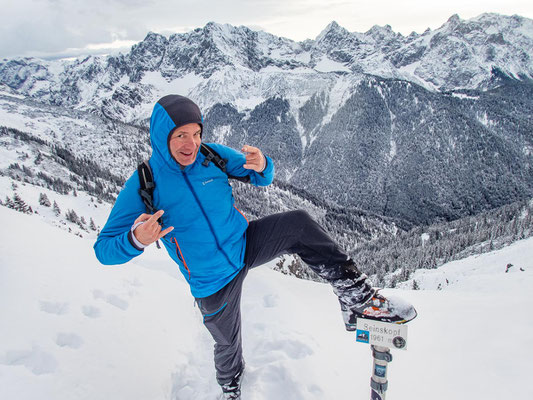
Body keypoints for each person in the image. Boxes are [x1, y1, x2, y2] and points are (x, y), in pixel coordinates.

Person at [94, 94, 416, 399]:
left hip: (245, 244)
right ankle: (231, 387)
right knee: (227, 345)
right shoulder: (144, 184)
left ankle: (356, 296)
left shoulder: (211, 155)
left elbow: (262, 177)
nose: (191, 143)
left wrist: (263, 164)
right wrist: (137, 239)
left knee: (299, 224)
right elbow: (104, 249)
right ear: (162, 136)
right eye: (180, 136)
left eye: (196, 133)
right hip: (212, 281)